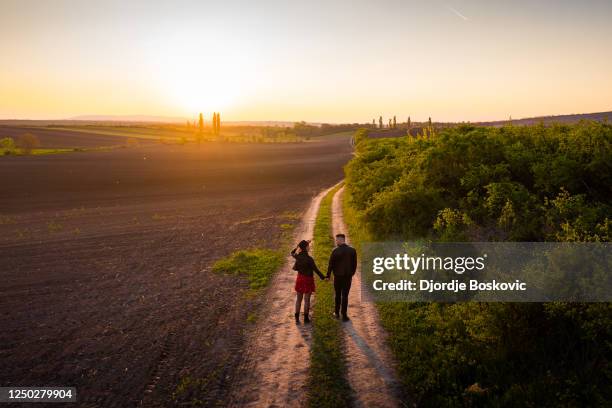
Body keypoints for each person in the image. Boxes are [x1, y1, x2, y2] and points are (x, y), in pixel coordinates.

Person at [291, 240, 325, 323]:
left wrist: (298, 246)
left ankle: (297, 318)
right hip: (308, 280)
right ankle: (306, 318)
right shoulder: (310, 259)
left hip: (300, 279)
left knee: (298, 299)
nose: (309, 247)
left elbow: (292, 252)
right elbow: (316, 270)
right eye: (308, 246)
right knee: (307, 300)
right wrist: (324, 278)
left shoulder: (297, 256)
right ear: (306, 247)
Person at [326, 233, 357, 321]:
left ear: (341, 239)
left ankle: (336, 313)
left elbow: (330, 265)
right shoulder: (352, 250)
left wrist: (328, 275)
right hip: (348, 277)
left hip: (338, 277)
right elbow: (354, 264)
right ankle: (344, 315)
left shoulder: (335, 251)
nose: (336, 241)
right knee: (345, 295)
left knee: (338, 295)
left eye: (337, 240)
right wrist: (352, 273)